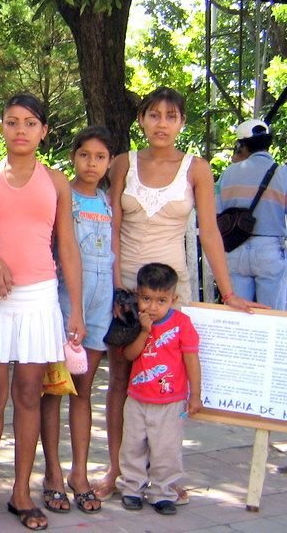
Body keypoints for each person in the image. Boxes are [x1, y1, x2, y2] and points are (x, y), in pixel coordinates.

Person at [99, 86, 261, 502]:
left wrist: (228, 292)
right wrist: (117, 286)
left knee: (168, 381)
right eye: (153, 115)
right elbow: (112, 227)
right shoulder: (122, 164)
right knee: (122, 377)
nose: (162, 124)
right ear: (141, 120)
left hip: (173, 291)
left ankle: (165, 478)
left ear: (181, 123)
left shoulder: (197, 169)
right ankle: (119, 469)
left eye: (171, 116)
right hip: (128, 285)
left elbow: (210, 232)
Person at [0, 93, 85, 531]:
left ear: (43, 131)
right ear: (0, 127)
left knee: (29, 395)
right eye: (12, 121)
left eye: (30, 122)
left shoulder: (56, 180)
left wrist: (74, 307)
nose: (20, 129)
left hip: (40, 298)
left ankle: (21, 491)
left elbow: (69, 249)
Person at [40, 126, 115, 515]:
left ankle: (80, 474)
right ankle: (52, 473)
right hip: (65, 306)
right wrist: (71, 311)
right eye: (85, 155)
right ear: (73, 156)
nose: (92, 163)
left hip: (100, 308)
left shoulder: (107, 202)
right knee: (53, 389)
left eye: (100, 157)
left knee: (83, 392)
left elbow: (114, 252)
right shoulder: (59, 196)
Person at [117, 262, 202, 516]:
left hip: (171, 400)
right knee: (132, 446)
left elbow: (191, 359)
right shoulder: (136, 322)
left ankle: (163, 492)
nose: (152, 307)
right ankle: (132, 488)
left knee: (166, 449)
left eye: (161, 300)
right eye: (146, 299)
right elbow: (130, 355)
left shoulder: (182, 324)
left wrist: (194, 395)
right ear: (137, 295)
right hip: (137, 398)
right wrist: (144, 331)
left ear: (173, 299)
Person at [216, 118, 287, 310]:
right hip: (270, 250)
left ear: (241, 145)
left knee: (239, 315)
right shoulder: (283, 173)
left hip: (235, 248)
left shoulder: (228, 174)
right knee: (274, 316)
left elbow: (215, 211)